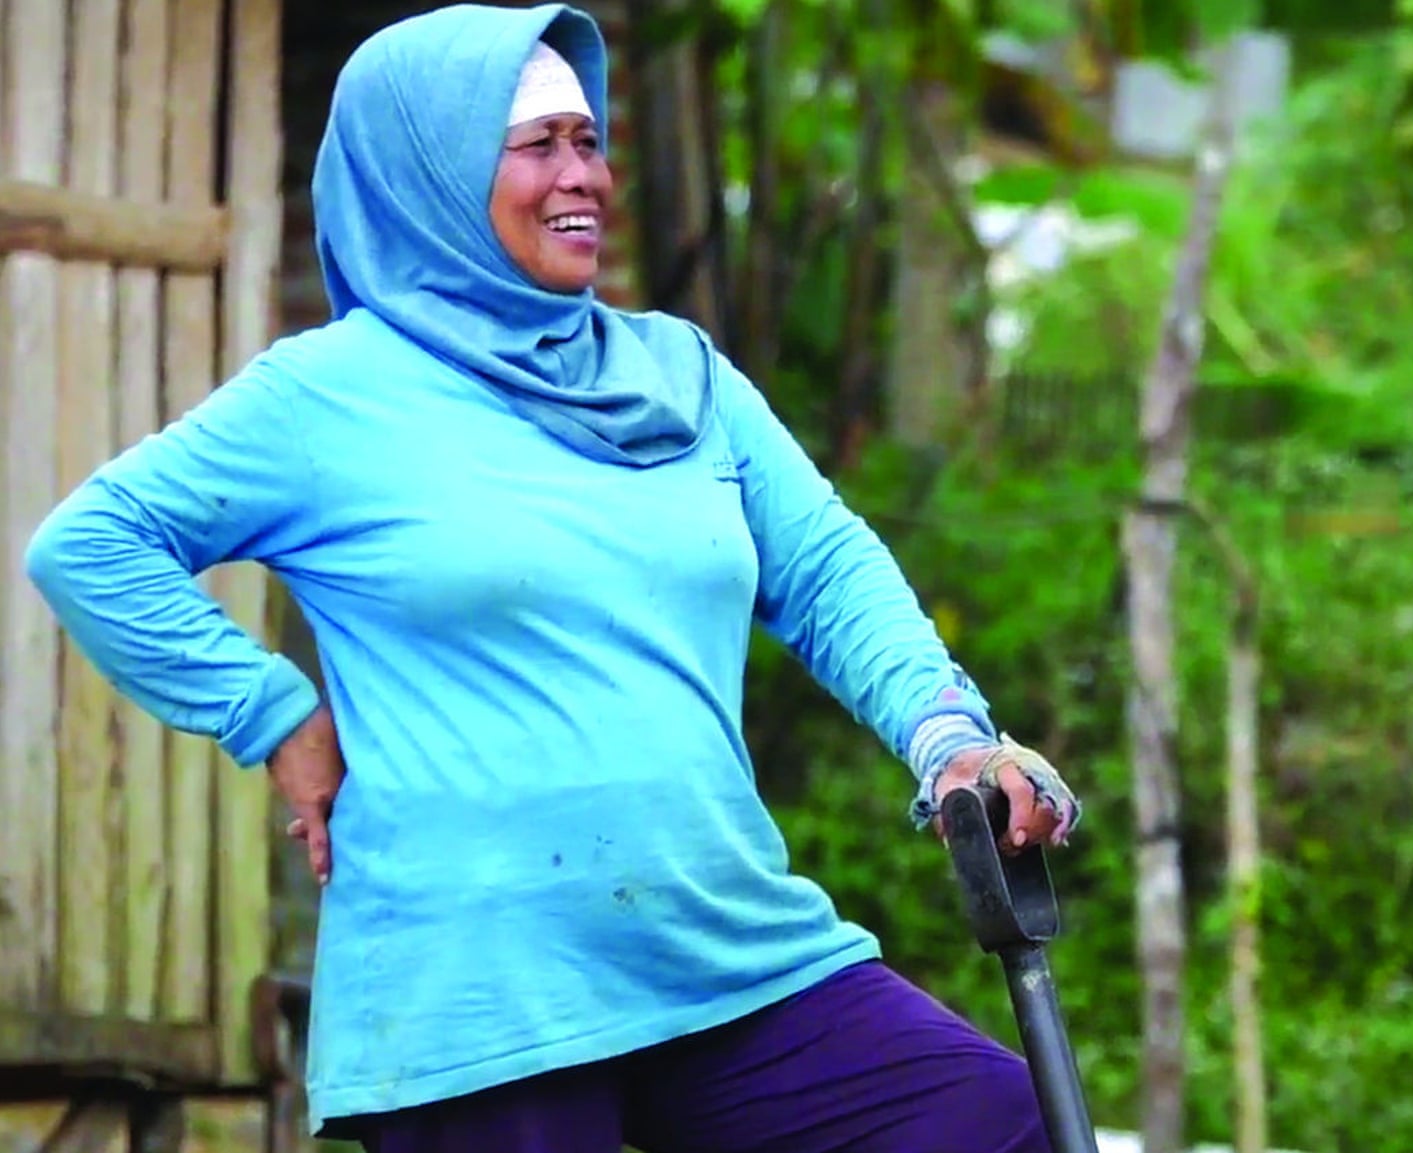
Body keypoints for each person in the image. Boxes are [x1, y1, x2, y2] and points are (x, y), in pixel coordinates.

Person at [21, 5, 1080, 1151]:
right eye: (537, 146)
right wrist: (272, 713)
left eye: (589, 139)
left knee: (990, 1120)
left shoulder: (681, 373)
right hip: (477, 999)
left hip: (715, 949)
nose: (582, 175)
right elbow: (90, 543)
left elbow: (825, 571)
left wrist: (950, 737)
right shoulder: (330, 395)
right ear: (429, 171)